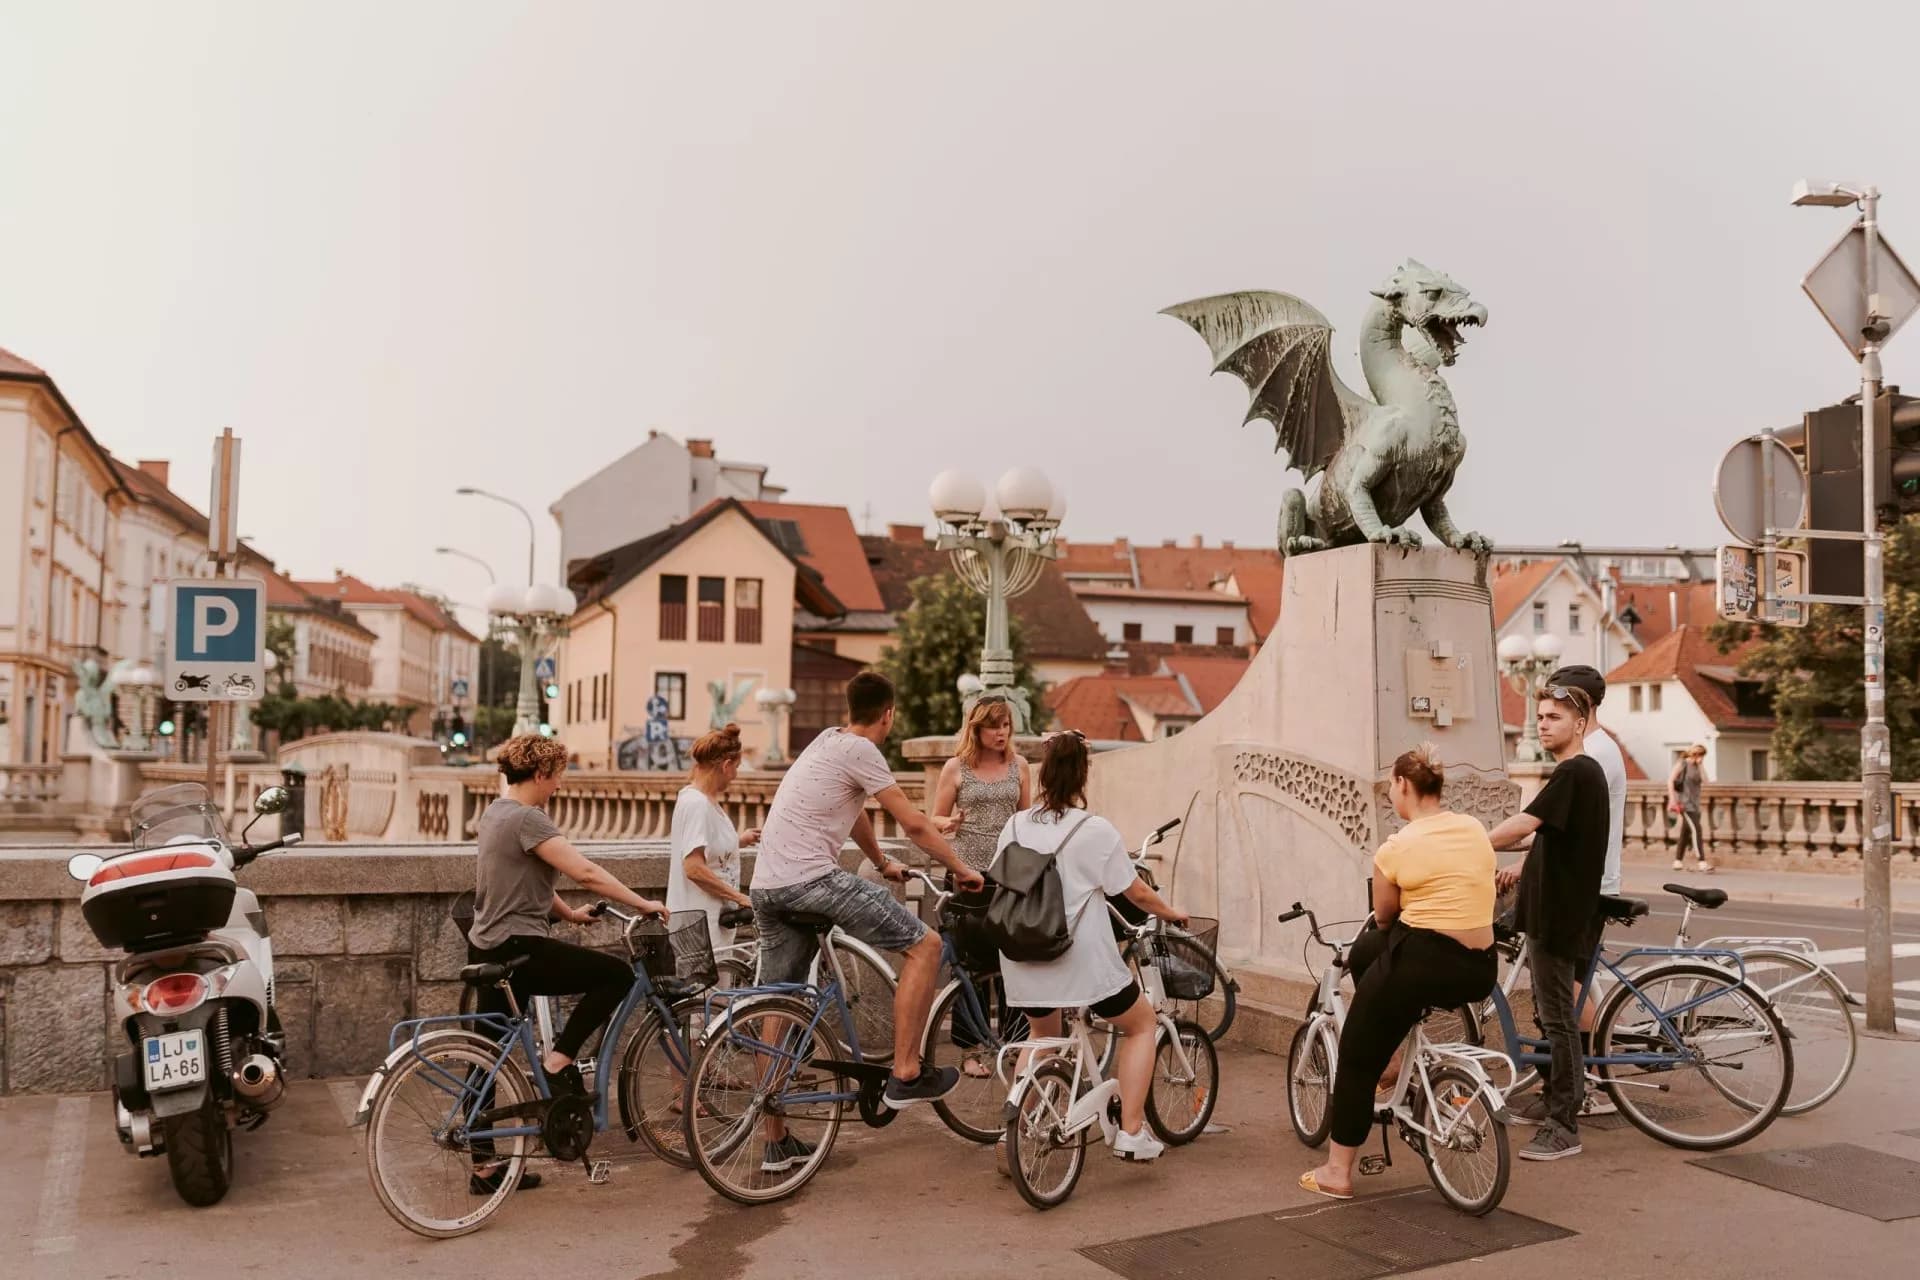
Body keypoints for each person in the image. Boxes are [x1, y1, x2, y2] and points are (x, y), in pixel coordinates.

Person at [750, 670, 986, 1141]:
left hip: (766, 886)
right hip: (810, 880)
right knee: (926, 946)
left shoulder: (825, 742)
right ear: (889, 714)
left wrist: (880, 861)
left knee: (778, 1003)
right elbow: (917, 824)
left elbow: (853, 809)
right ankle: (905, 1072)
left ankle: (775, 1140)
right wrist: (961, 868)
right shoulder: (864, 750)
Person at [467, 734, 670, 1190]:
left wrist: (569, 914)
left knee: (487, 1054)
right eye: (557, 776)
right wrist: (642, 904)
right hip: (519, 949)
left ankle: (484, 1166)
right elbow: (586, 872)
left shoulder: (496, 812)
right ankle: (560, 1061)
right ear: (541, 774)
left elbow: (529, 878)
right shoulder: (528, 818)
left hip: (487, 945)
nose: (558, 785)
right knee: (615, 974)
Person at [1299, 744, 1498, 1200]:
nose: (1391, 792)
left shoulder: (1397, 847)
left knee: (1354, 1057)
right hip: (1480, 968)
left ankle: (1336, 1171)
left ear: (1404, 785)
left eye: (1391, 785)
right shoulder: (1474, 828)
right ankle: (1396, 1052)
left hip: (1424, 963)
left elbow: (1385, 916)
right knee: (1373, 955)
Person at [996, 730, 1187, 1163]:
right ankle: (1133, 1132)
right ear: (1083, 776)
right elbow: (1135, 892)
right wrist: (1172, 912)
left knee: (1041, 1035)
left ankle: (1013, 1134)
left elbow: (1004, 878)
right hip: (1080, 962)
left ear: (1043, 774)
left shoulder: (1015, 823)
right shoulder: (1095, 829)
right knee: (1140, 1025)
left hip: (1023, 956)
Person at [1489, 685, 1611, 1163]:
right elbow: (1536, 836)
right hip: (1550, 911)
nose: (1543, 724)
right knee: (1552, 1013)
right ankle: (1553, 1104)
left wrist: (1468, 842)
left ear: (1579, 724)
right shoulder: (1576, 774)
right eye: (1539, 716)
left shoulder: (1576, 771)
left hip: (1557, 917)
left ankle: (1565, 1124)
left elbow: (1524, 823)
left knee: (1559, 1020)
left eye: (1554, 717)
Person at [930, 694, 1031, 1070]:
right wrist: (949, 824)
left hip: (1008, 875)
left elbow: (1025, 819)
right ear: (977, 728)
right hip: (967, 873)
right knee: (972, 964)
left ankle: (1016, 1042)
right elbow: (934, 818)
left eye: (1006, 725)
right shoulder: (956, 767)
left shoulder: (1019, 766)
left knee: (1012, 960)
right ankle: (971, 1050)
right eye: (994, 725)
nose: (1001, 732)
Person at [668, 723, 759, 948]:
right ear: (726, 765)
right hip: (701, 925)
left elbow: (704, 847)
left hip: (709, 923)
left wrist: (739, 841)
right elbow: (693, 867)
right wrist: (739, 898)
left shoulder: (701, 800)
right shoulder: (697, 804)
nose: (735, 776)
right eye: (736, 767)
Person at [1669, 745, 1711, 873]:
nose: (1701, 758)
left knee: (1685, 832)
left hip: (1695, 804)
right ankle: (1702, 862)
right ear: (1695, 754)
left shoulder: (1698, 767)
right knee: (1697, 830)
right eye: (1700, 755)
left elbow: (1706, 781)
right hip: (1684, 803)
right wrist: (1672, 799)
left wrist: (1701, 765)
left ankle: (1677, 861)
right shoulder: (1683, 763)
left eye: (1703, 756)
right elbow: (1670, 780)